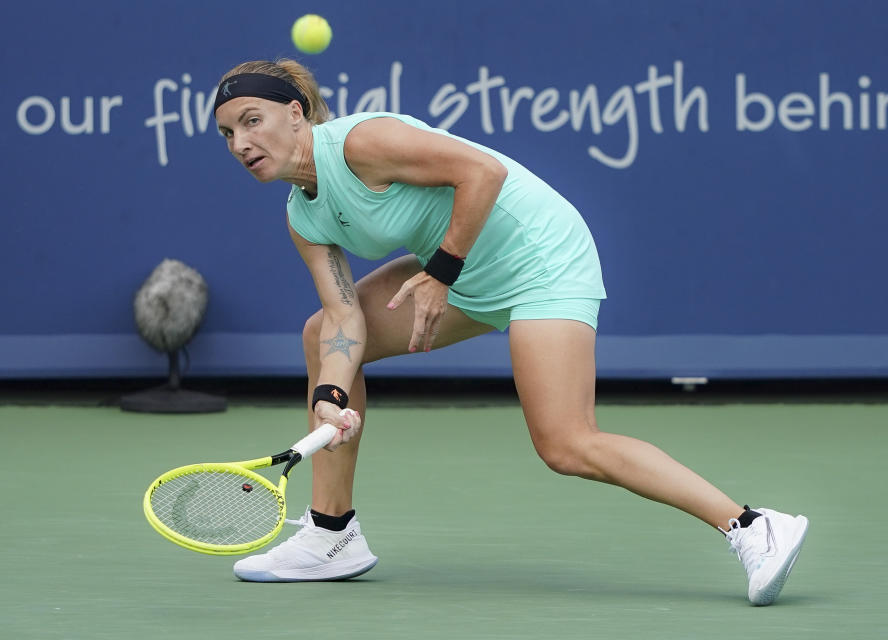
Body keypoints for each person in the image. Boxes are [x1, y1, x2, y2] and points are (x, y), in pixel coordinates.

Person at [213, 59, 808, 605]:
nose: (241, 143)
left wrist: (440, 274)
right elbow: (344, 321)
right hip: (457, 270)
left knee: (567, 444)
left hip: (537, 259)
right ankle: (331, 535)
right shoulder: (303, 215)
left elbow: (483, 171)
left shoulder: (363, 143)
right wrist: (331, 398)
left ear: (296, 113)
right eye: (228, 134)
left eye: (251, 121)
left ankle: (754, 527)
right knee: (320, 335)